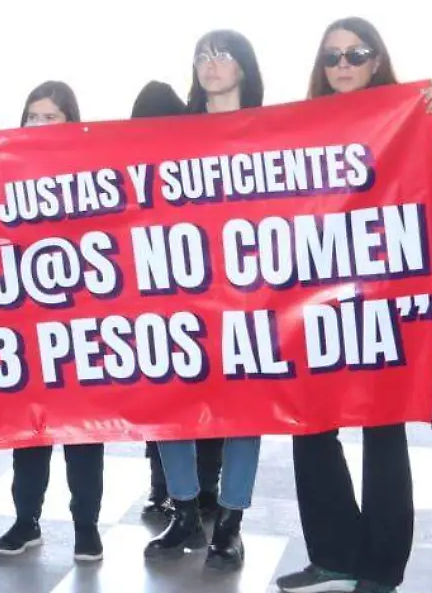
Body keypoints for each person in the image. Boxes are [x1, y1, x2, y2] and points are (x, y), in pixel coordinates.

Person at [275, 18, 432, 593]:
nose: (344, 64)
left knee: (382, 426)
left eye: (355, 53)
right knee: (310, 424)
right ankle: (334, 553)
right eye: (332, 56)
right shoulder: (300, 124)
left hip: (386, 296)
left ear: (376, 59)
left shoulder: (408, 114)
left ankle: (382, 566)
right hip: (314, 295)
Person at [0, 82, 106, 565]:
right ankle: (25, 519)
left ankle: (86, 526)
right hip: (27, 321)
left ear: (72, 121)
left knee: (85, 431)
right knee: (30, 429)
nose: (41, 125)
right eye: (33, 116)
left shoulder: (94, 171)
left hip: (83, 323)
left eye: (52, 116)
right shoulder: (6, 168)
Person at [147, 31, 266, 569]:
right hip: (180, 288)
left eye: (221, 55)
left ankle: (231, 522)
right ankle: (186, 513)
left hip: (251, 288)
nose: (209, 64)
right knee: (170, 404)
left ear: (244, 66)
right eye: (201, 55)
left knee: (245, 409)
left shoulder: (275, 130)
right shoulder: (171, 132)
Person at [125, 81, 194, 519]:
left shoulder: (132, 159)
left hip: (159, 296)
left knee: (165, 392)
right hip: (173, 294)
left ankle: (165, 485)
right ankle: (192, 487)